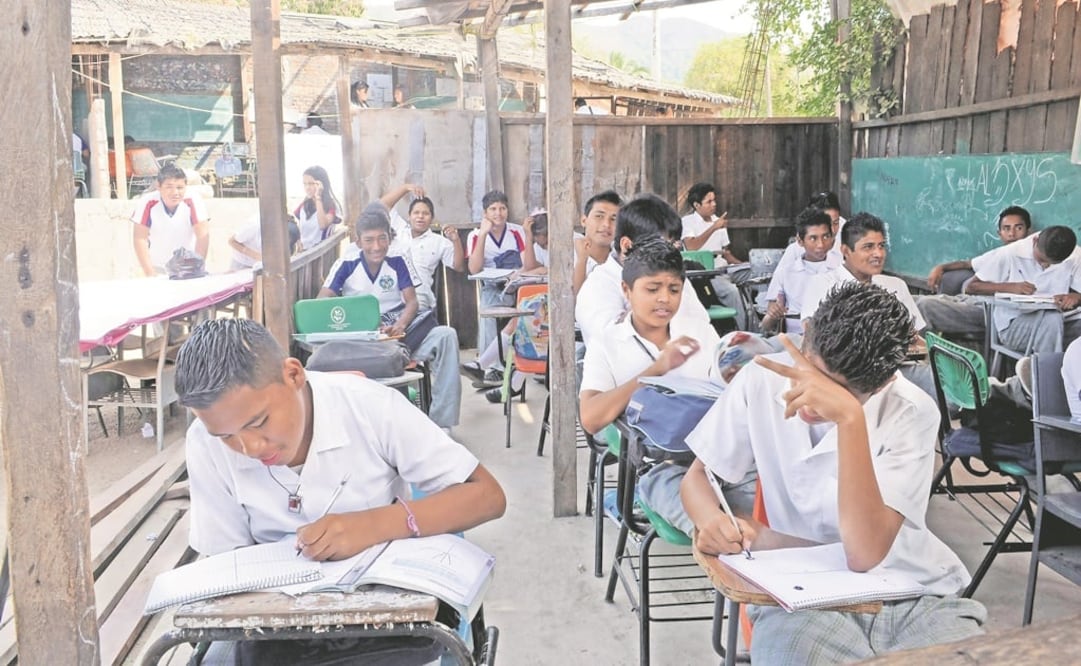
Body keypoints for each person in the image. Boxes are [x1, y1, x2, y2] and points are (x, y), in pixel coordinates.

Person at [681, 282, 986, 664]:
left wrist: (849, 420)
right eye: (813, 372)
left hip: (911, 592)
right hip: (801, 591)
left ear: (883, 384)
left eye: (840, 392)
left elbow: (864, 554)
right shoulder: (760, 379)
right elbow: (698, 477)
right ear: (804, 337)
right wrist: (711, 520)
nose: (813, 398)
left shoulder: (912, 411)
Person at [175, 318, 505, 661]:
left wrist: (374, 525)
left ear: (293, 375)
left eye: (259, 422)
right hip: (276, 625)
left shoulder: (370, 407)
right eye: (226, 436)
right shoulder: (204, 443)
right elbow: (228, 563)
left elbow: (486, 495)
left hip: (386, 616)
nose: (250, 447)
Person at [579, 238, 755, 533]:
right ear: (627, 290)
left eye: (674, 290)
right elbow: (591, 418)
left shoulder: (697, 331)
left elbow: (723, 386)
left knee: (765, 505)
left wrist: (737, 371)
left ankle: (740, 535)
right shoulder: (608, 343)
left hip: (719, 454)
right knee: (721, 528)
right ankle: (727, 534)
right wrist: (657, 369)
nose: (664, 299)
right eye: (652, 289)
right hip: (660, 465)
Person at [320, 205, 462, 431]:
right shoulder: (346, 263)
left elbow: (412, 302)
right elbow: (322, 302)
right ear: (358, 241)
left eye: (382, 238)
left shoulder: (398, 259)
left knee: (446, 336)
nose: (376, 246)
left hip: (401, 332)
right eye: (369, 240)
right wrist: (361, 320)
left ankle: (441, 425)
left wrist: (401, 324)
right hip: (366, 339)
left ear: (389, 237)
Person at [575, 193, 710, 349]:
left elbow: (701, 328)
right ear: (626, 246)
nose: (668, 257)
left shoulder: (672, 277)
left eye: (673, 248)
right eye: (658, 249)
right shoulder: (597, 286)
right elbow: (612, 345)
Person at [917, 206, 1033, 339]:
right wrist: (941, 268)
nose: (1012, 234)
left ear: (1028, 231)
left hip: (988, 311)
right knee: (909, 301)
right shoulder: (999, 254)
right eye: (1006, 228)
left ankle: (918, 354)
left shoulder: (1033, 259)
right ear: (999, 233)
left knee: (925, 306)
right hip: (968, 300)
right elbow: (967, 263)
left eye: (1018, 228)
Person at [963, 225, 1081, 355]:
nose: (1045, 265)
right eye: (1041, 259)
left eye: (1053, 263)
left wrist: (1075, 297)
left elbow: (1078, 294)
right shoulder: (1011, 253)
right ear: (1035, 240)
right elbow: (970, 287)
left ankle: (1053, 368)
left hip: (1061, 321)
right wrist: (1010, 287)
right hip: (1014, 326)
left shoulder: (1075, 255)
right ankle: (1044, 372)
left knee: (1055, 321)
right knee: (1051, 320)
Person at [376, 184, 465, 312]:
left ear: (432, 218)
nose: (420, 216)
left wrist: (456, 240)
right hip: (391, 294)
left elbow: (459, 266)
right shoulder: (399, 229)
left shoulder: (439, 242)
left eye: (425, 213)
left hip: (419, 296)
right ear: (409, 216)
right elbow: (382, 206)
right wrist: (406, 188)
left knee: (412, 319)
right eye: (416, 213)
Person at [760, 208, 841, 335]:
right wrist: (773, 315)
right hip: (795, 340)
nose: (821, 244)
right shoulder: (785, 273)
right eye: (813, 238)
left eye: (826, 236)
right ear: (800, 241)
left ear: (832, 239)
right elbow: (766, 326)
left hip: (832, 340)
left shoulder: (841, 270)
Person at [467, 190, 529, 355]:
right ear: (485, 213)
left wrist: (516, 276)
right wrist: (483, 234)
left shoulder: (517, 231)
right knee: (487, 306)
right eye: (493, 209)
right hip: (493, 286)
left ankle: (524, 357)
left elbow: (527, 263)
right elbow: (474, 269)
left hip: (518, 283)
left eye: (502, 208)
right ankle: (490, 367)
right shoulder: (475, 235)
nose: (498, 213)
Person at [679, 182, 747, 329]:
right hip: (707, 275)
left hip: (724, 268)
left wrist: (742, 264)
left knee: (756, 274)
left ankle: (764, 322)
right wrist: (714, 227)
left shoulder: (718, 220)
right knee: (732, 291)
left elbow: (726, 253)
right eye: (709, 201)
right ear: (697, 205)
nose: (714, 204)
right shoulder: (688, 222)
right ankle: (744, 332)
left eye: (714, 200)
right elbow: (691, 246)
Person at [131, 164, 209, 277]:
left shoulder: (194, 201)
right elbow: (140, 238)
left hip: (187, 268)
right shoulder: (147, 202)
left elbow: (202, 237)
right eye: (169, 187)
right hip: (156, 267)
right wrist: (150, 272)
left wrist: (196, 269)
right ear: (158, 186)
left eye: (180, 187)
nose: (175, 192)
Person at [228, 214, 301, 270]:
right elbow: (232, 241)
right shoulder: (254, 226)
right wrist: (258, 257)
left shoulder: (288, 224)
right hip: (242, 264)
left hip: (260, 266)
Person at [294, 166, 341, 252]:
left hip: (322, 254)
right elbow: (298, 226)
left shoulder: (331, 205)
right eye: (305, 184)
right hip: (304, 254)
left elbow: (323, 225)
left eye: (311, 183)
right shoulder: (303, 206)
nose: (307, 187)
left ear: (321, 184)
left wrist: (318, 197)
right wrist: (298, 240)